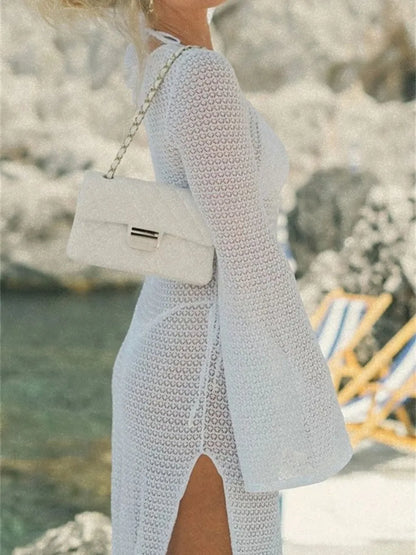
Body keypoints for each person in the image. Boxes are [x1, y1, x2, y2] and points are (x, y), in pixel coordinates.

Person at [30, 1, 354, 553]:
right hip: (205, 376)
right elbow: (249, 257)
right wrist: (312, 401)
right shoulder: (201, 75)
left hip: (179, 350)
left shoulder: (157, 57)